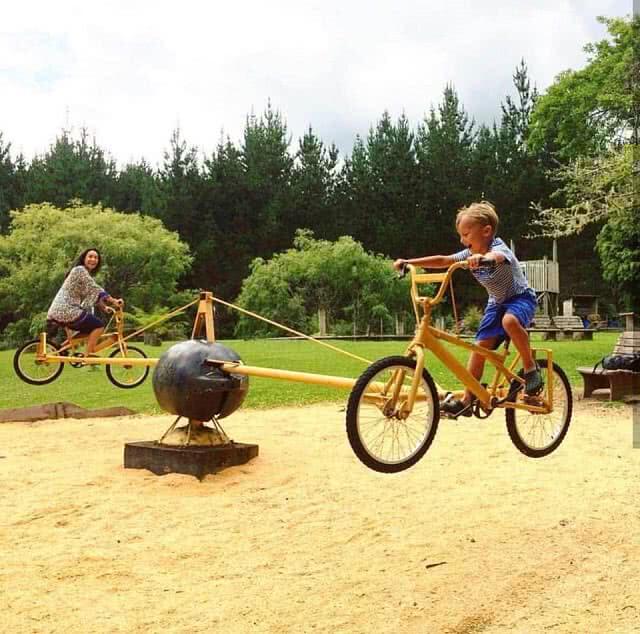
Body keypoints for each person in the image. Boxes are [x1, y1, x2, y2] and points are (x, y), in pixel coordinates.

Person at [393, 201, 542, 417]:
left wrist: (483, 259)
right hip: (496, 303)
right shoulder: (467, 254)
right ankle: (468, 399)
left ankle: (530, 369)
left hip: (520, 298)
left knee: (509, 322)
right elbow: (444, 260)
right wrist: (409, 261)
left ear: (486, 231)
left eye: (466, 234)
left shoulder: (497, 249)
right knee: (479, 348)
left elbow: (498, 258)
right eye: (461, 236)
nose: (463, 240)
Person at [47, 248, 123, 357]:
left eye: (96, 257)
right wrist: (113, 300)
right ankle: (88, 354)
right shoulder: (79, 270)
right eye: (90, 257)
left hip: (61, 310)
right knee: (99, 326)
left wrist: (104, 307)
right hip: (66, 309)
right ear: (84, 258)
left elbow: (91, 293)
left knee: (89, 330)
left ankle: (61, 348)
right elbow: (94, 288)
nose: (93, 259)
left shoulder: (83, 273)